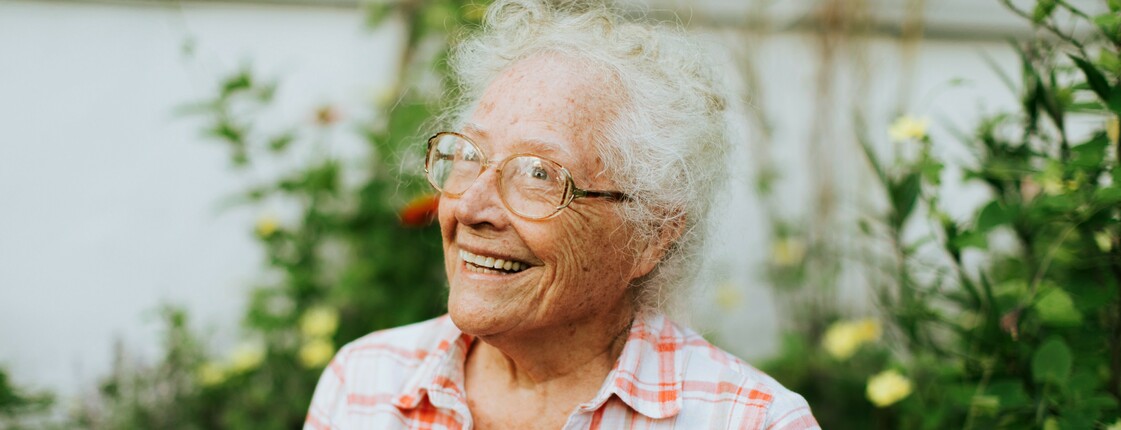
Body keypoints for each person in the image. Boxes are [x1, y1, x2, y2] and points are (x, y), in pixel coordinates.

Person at [304, 0, 819, 428]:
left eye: (539, 174)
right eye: (468, 157)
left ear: (653, 235)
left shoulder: (748, 420)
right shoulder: (364, 386)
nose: (471, 207)